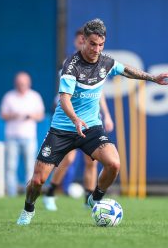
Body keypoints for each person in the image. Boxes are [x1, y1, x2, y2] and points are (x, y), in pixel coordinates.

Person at [16, 18, 168, 225]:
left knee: (114, 163)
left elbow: (126, 70)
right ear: (83, 41)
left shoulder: (105, 62)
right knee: (37, 180)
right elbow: (64, 99)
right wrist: (75, 119)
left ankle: (95, 198)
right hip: (63, 129)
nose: (96, 49)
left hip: (90, 127)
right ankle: (29, 209)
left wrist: (153, 78)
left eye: (101, 45)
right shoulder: (71, 66)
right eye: (92, 44)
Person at [42, 28, 115, 211]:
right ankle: (50, 192)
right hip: (70, 120)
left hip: (91, 119)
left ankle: (89, 199)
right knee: (67, 160)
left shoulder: (97, 65)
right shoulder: (70, 64)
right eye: (80, 40)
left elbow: (98, 93)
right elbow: (66, 95)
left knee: (92, 162)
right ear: (80, 42)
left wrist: (106, 114)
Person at [0, 72, 45, 197]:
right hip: (12, 136)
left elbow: (41, 115)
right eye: (19, 83)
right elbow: (3, 114)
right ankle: (11, 194)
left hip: (29, 137)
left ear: (28, 83)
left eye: (24, 83)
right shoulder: (9, 97)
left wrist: (31, 116)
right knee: (10, 167)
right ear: (16, 83)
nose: (22, 86)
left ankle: (29, 194)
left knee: (30, 168)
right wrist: (13, 115)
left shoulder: (35, 96)